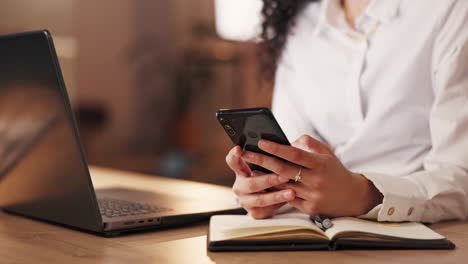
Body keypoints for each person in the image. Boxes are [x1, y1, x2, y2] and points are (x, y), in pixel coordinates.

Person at [225, 0, 468, 223]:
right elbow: (293, 151)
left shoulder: (450, 10)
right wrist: (270, 189)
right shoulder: (301, 23)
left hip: (434, 233)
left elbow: (462, 175)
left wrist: (365, 194)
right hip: (320, 231)